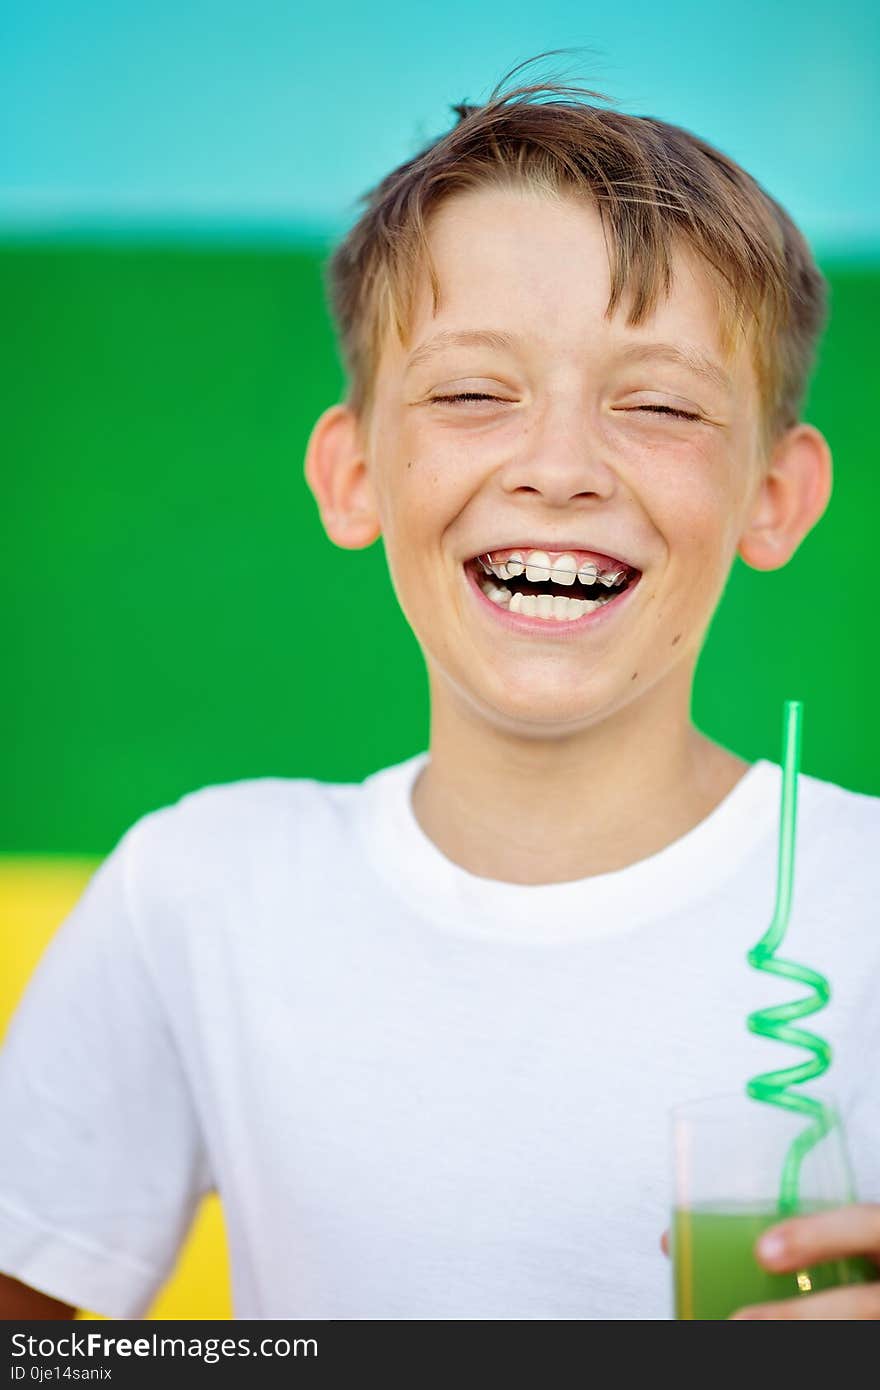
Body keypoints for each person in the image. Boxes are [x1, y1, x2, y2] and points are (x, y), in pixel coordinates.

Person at [1, 54, 879, 1322]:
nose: (561, 466)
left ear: (775, 496)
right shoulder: (199, 892)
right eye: (473, 393)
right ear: (353, 474)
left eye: (660, 407)